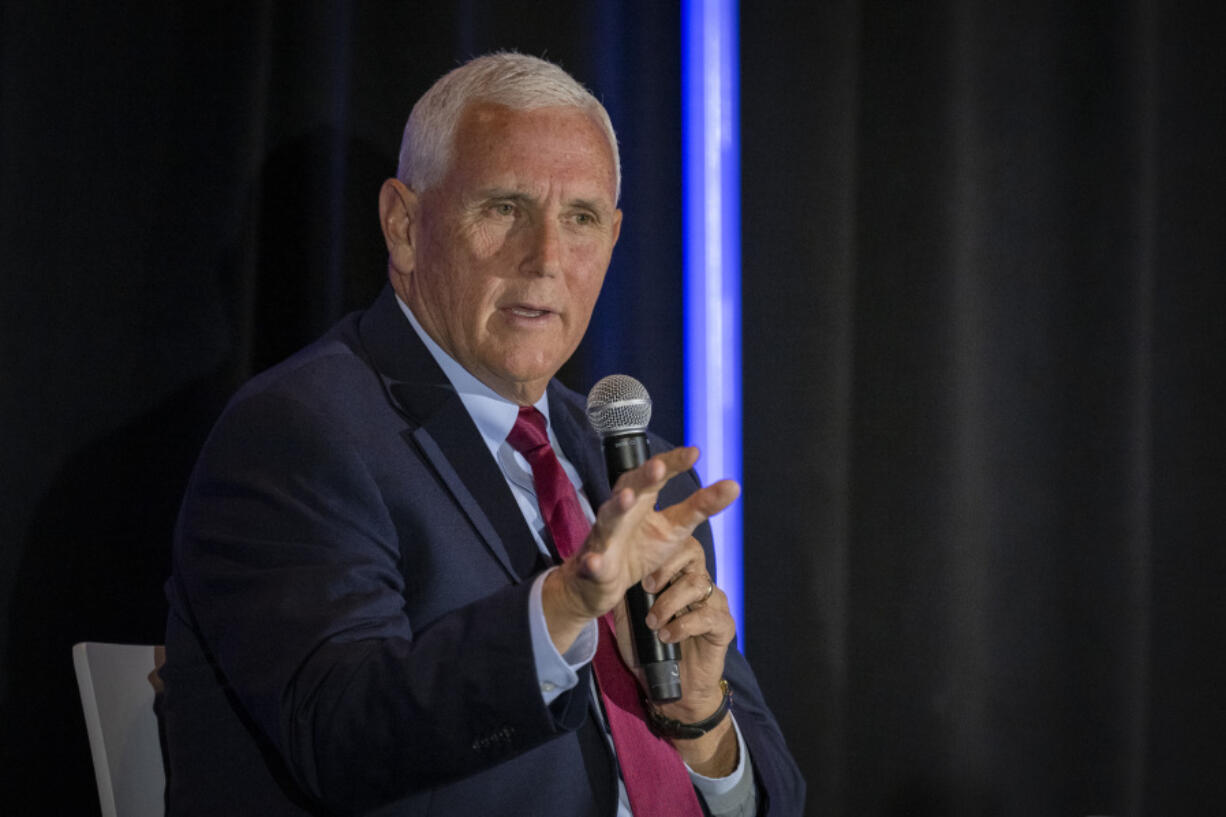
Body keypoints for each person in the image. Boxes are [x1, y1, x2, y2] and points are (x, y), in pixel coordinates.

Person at [163, 52, 804, 817]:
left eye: (582, 218)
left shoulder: (628, 462)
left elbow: (778, 799)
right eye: (504, 207)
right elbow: (343, 734)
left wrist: (699, 721)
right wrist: (564, 605)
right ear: (403, 226)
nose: (547, 260)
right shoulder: (301, 431)